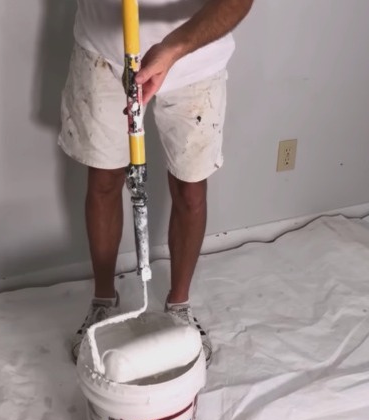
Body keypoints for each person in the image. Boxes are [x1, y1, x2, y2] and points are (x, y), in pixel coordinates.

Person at [60, 0, 254, 365]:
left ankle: (178, 306)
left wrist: (174, 48)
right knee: (103, 180)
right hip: (106, 53)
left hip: (194, 61)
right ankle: (104, 301)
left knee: (190, 188)